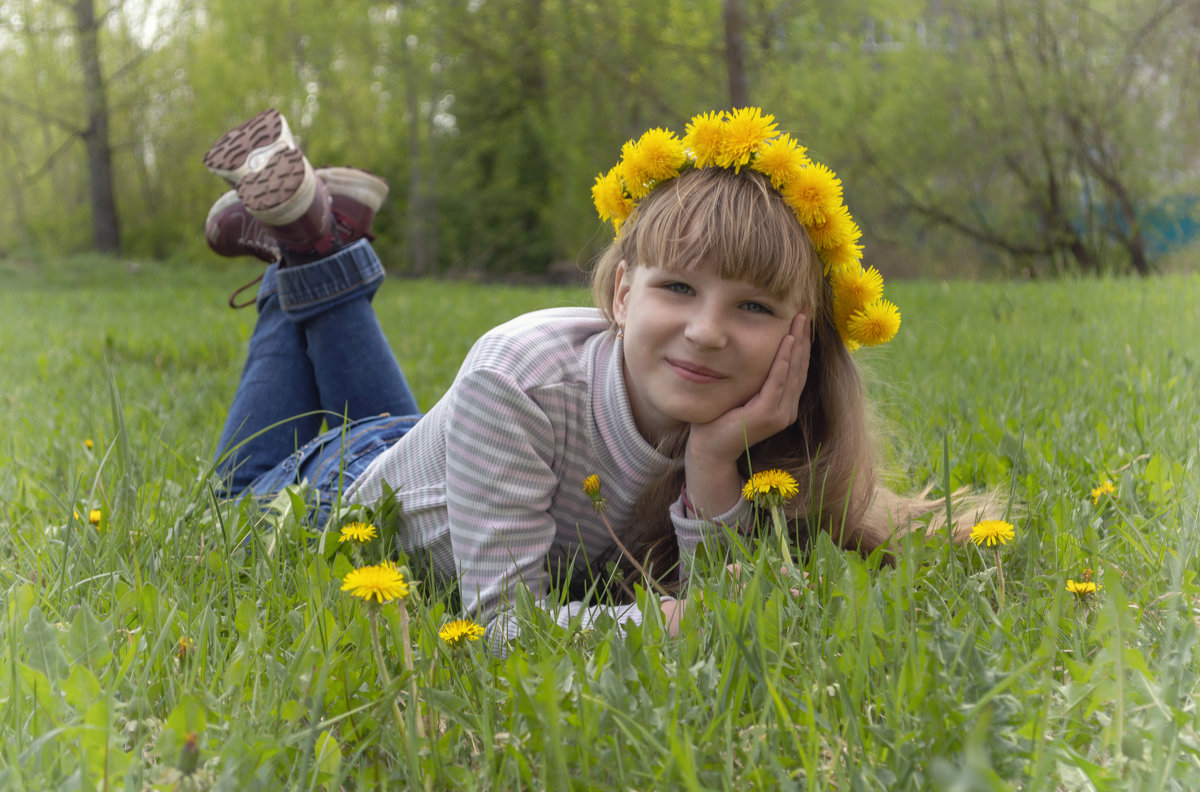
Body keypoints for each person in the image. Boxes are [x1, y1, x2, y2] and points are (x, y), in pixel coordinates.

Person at [203, 106, 986, 655]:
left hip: (440, 463)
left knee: (406, 441)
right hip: (338, 499)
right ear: (620, 295)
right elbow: (504, 629)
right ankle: (307, 246)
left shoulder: (767, 426)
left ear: (801, 336)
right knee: (232, 500)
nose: (707, 331)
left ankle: (313, 230)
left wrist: (714, 463)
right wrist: (668, 627)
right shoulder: (516, 380)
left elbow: (719, 600)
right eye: (677, 288)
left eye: (750, 305)